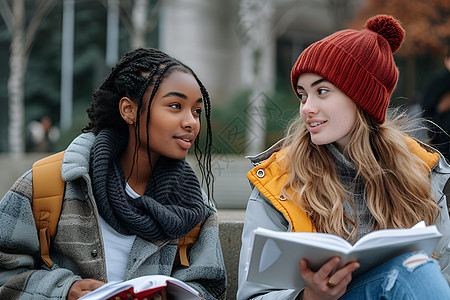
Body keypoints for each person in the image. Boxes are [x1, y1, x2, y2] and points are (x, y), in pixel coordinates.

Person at [237, 15, 450, 300]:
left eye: (321, 91)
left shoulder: (421, 174)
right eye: (303, 95)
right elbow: (252, 296)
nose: (306, 108)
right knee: (413, 270)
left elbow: (442, 280)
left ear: (361, 98)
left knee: (415, 269)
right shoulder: (278, 182)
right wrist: (310, 297)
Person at [0, 48, 226, 300]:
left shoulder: (195, 206)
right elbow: (4, 272)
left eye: (196, 111)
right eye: (175, 106)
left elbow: (211, 286)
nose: (191, 122)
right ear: (128, 110)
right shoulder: (47, 183)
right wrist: (65, 290)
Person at [421, 46, 450, 162]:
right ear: (446, 60)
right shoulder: (438, 80)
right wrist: (440, 108)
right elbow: (427, 109)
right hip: (441, 134)